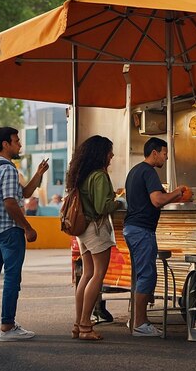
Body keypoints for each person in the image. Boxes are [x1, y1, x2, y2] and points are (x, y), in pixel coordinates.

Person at [0, 127, 49, 342]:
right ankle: (7, 326)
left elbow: (23, 193)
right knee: (11, 278)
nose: (20, 145)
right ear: (6, 144)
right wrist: (27, 227)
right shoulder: (8, 169)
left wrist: (38, 174)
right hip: (10, 230)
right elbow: (10, 202)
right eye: (16, 141)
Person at [66, 135, 125, 341]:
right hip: (96, 228)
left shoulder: (81, 174)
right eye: (109, 151)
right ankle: (85, 325)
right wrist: (120, 203)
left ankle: (78, 324)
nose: (112, 155)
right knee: (98, 274)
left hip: (82, 231)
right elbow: (103, 207)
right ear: (101, 154)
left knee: (87, 274)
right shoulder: (99, 176)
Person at [124, 137, 184, 336]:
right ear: (155, 153)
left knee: (141, 275)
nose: (166, 158)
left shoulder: (135, 171)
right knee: (147, 275)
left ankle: (136, 319)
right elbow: (157, 200)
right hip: (142, 230)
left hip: (132, 229)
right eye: (164, 154)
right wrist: (177, 192)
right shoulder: (149, 171)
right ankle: (140, 324)